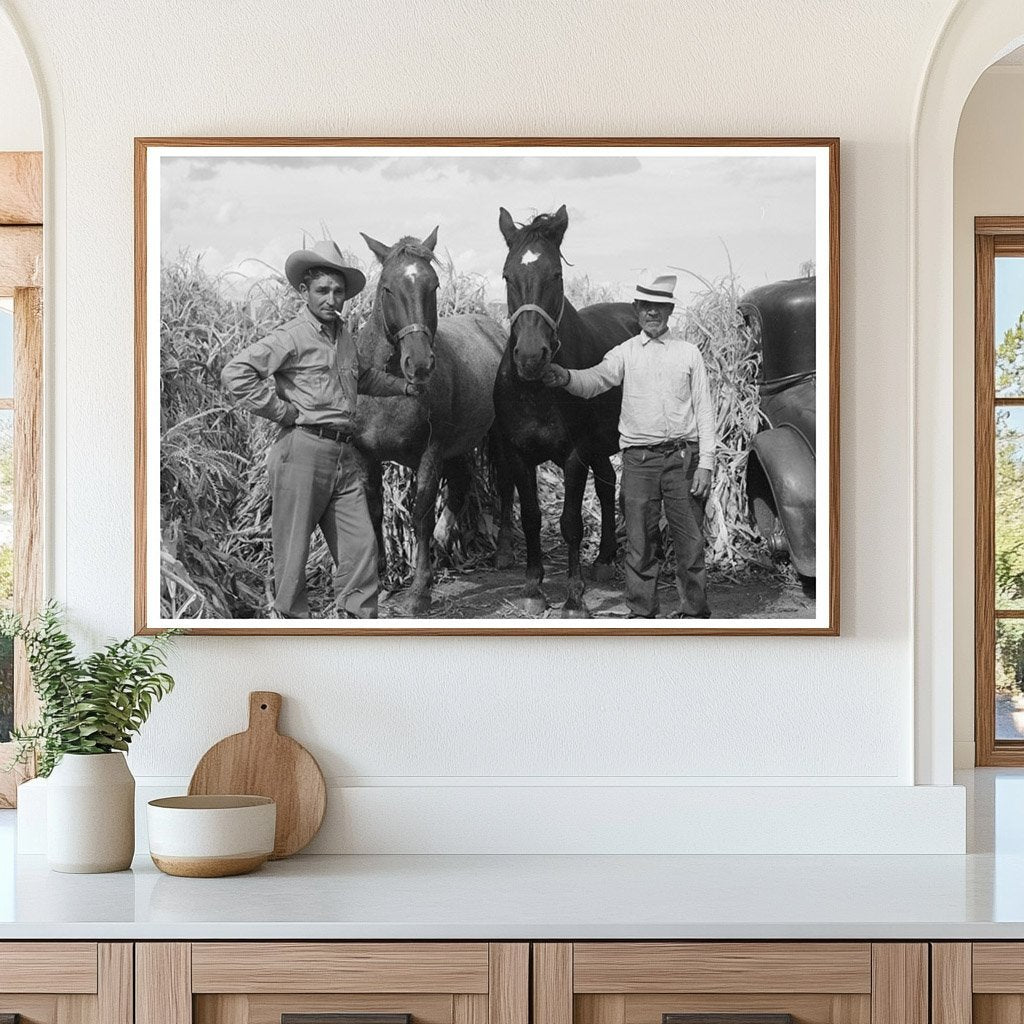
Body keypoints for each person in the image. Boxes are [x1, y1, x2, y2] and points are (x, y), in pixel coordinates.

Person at [221, 239, 419, 619]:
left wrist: (404, 387)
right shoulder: (292, 336)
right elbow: (236, 373)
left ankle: (357, 623)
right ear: (304, 291)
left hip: (345, 455)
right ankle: (294, 629)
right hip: (302, 451)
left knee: (361, 547)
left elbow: (362, 377)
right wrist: (283, 412)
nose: (332, 299)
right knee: (293, 553)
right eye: (323, 291)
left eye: (338, 292)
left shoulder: (344, 336)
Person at [542, 270, 716, 618]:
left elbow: (705, 409)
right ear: (637, 309)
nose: (652, 313)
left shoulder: (688, 354)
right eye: (646, 306)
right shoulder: (624, 353)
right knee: (639, 544)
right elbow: (595, 380)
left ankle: (694, 614)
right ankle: (642, 613)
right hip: (639, 462)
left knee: (691, 543)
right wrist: (566, 377)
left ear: (670, 311)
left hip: (683, 458)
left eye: (660, 306)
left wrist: (706, 462)